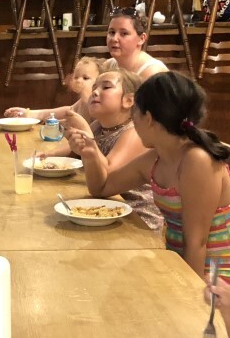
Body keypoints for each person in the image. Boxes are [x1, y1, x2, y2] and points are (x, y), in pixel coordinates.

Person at [69, 71, 230, 292]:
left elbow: (196, 243)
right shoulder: (156, 158)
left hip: (214, 276)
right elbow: (102, 188)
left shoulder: (196, 160)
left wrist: (189, 298)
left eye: (135, 112)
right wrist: (89, 154)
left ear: (149, 118)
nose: (133, 120)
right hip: (175, 259)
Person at [39, 67, 162, 230]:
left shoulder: (133, 133)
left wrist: (87, 134)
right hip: (105, 206)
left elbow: (107, 176)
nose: (95, 92)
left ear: (128, 100)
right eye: (94, 88)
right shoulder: (99, 125)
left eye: (106, 87)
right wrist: (48, 155)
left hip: (137, 216)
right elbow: (72, 151)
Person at [4, 9, 168, 121]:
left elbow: (153, 125)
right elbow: (79, 107)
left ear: (141, 38)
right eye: (111, 32)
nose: (114, 39)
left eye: (124, 33)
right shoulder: (110, 65)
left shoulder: (152, 73)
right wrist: (31, 114)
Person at [3, 56, 101, 122]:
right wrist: (28, 114)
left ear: (99, 82)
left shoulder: (97, 104)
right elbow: (66, 112)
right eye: (76, 77)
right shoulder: (81, 103)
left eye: (85, 78)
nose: (79, 81)